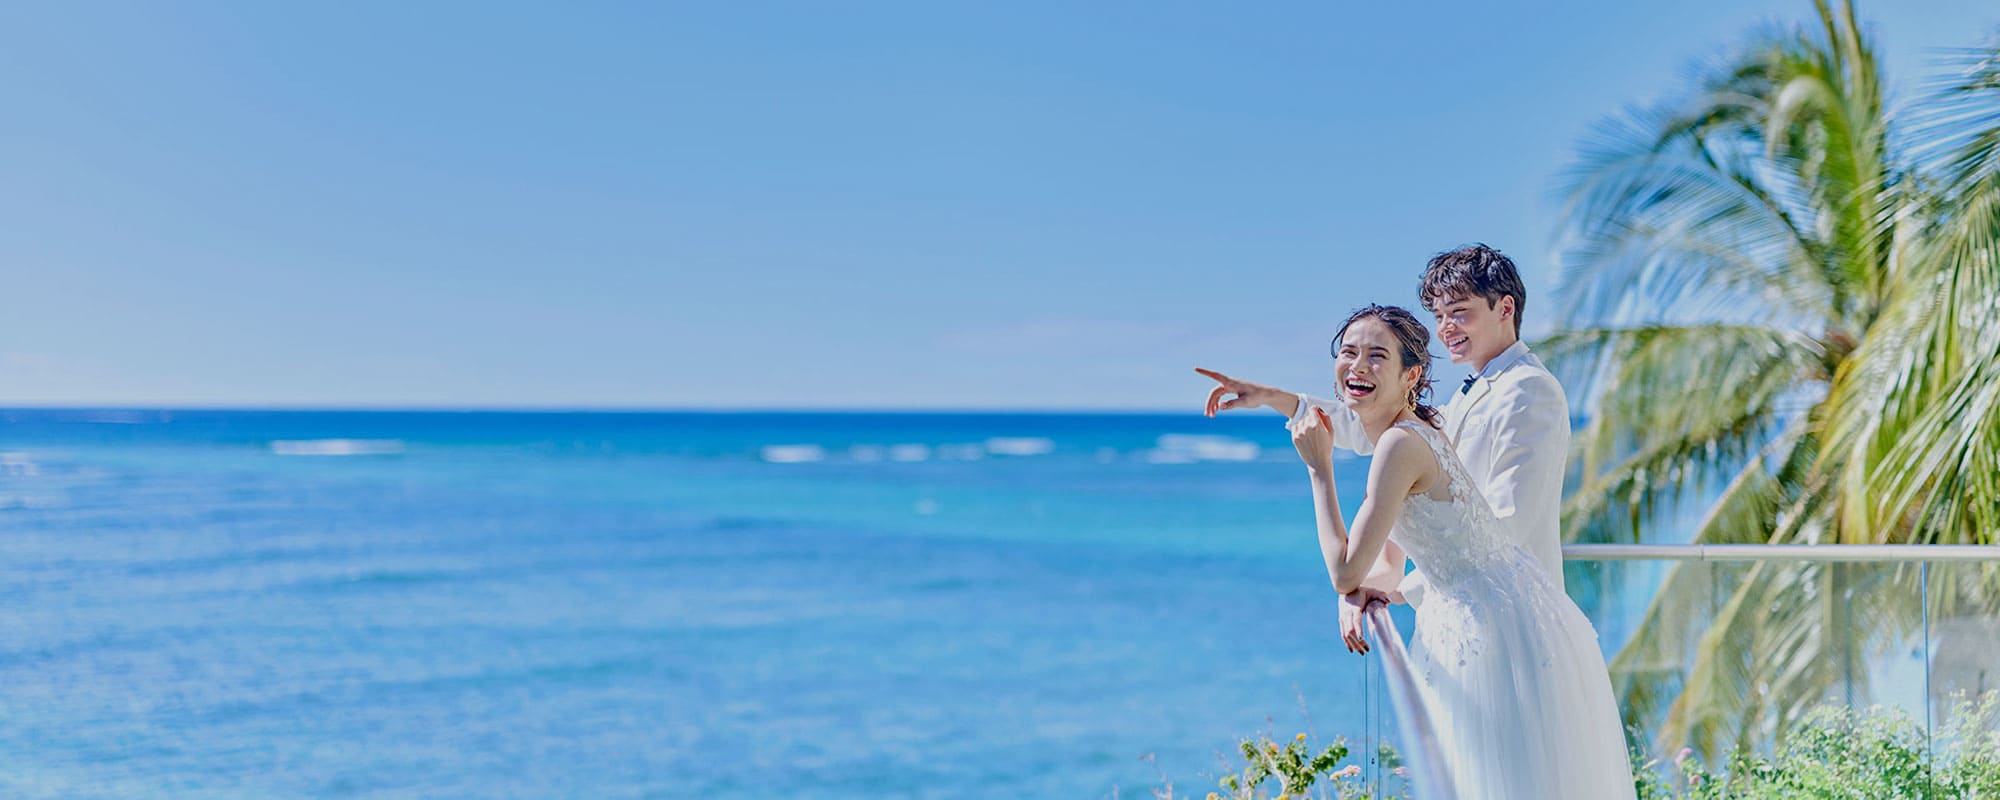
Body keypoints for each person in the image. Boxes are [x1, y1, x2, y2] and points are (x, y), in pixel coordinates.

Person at [1289, 304, 1633, 799]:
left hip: (1491, 628)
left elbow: (1344, 571)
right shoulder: (1408, 433)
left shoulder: (1399, 445)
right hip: (1492, 611)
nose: (1359, 366)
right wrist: (1366, 591)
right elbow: (1386, 558)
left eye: (1377, 356)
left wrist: (1318, 468)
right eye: (1349, 352)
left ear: (1411, 375)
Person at [1196, 244, 1569, 615]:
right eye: (1439, 316)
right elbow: (1376, 426)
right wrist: (1270, 397)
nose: (1445, 328)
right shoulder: (1474, 389)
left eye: (1459, 313)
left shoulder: (1529, 389)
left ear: (1505, 309)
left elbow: (1508, 526)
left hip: (1511, 609)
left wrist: (1399, 590)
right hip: (1474, 606)